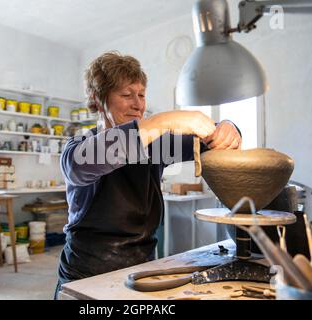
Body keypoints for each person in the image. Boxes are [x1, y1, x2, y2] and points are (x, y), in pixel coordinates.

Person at [54, 51, 241, 299]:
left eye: (141, 95)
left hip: (142, 267)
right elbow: (94, 158)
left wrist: (228, 127)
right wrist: (164, 120)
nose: (138, 104)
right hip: (87, 271)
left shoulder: (157, 146)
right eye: (126, 95)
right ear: (99, 100)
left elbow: (210, 142)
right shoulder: (80, 148)